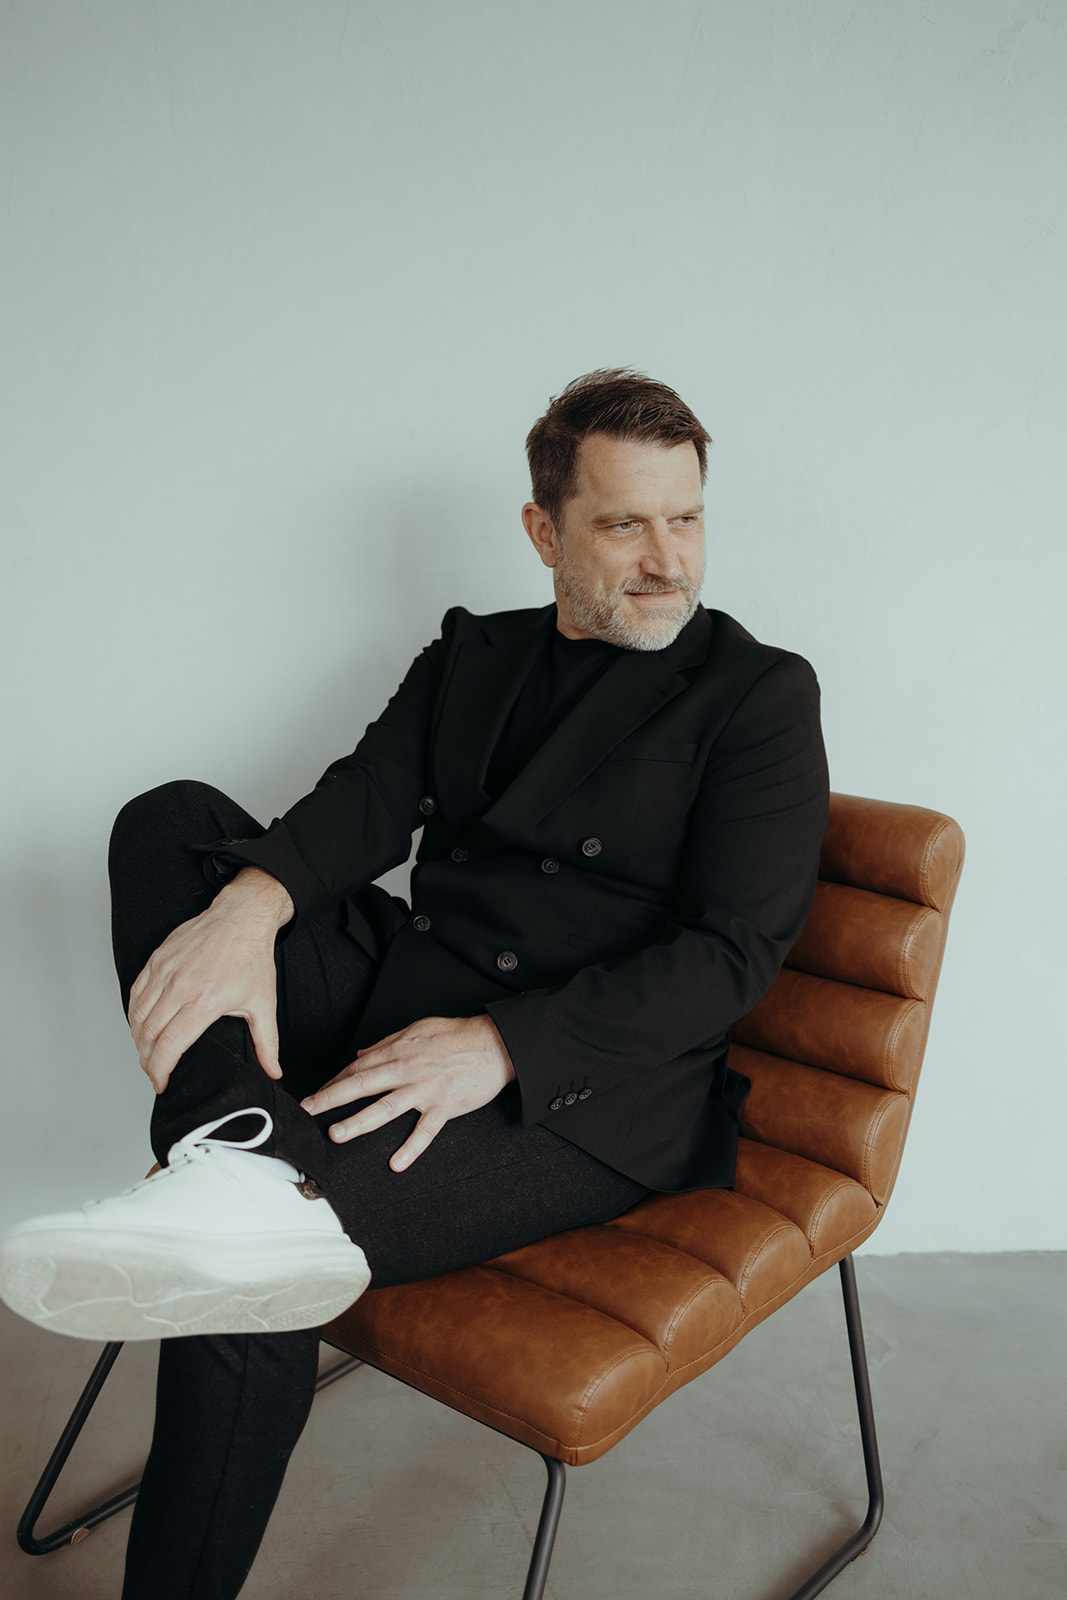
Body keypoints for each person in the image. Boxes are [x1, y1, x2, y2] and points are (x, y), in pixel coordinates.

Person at [0, 369, 829, 1599]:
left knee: (246, 1274)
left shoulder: (756, 694)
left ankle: (237, 1191)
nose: (667, 560)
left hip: (576, 1088)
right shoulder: (472, 653)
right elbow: (365, 802)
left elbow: (729, 957)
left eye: (686, 518)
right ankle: (236, 1148)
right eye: (623, 523)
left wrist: (499, 1043)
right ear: (543, 531)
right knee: (169, 821)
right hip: (406, 990)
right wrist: (251, 907)